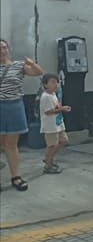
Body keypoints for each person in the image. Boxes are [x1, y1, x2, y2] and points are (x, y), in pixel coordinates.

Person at [0, 38, 44, 191]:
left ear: (8, 49)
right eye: (0, 48)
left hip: (15, 106)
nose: (2, 51)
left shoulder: (18, 65)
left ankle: (15, 176)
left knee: (11, 145)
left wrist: (31, 63)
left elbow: (39, 72)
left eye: (4, 47)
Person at [39, 73, 70, 174]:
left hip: (58, 124)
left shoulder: (53, 95)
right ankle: (48, 164)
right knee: (52, 145)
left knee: (63, 140)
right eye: (52, 82)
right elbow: (48, 111)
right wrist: (62, 109)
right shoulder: (45, 97)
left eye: (57, 82)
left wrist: (61, 108)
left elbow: (56, 107)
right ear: (45, 84)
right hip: (50, 126)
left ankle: (49, 157)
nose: (56, 84)